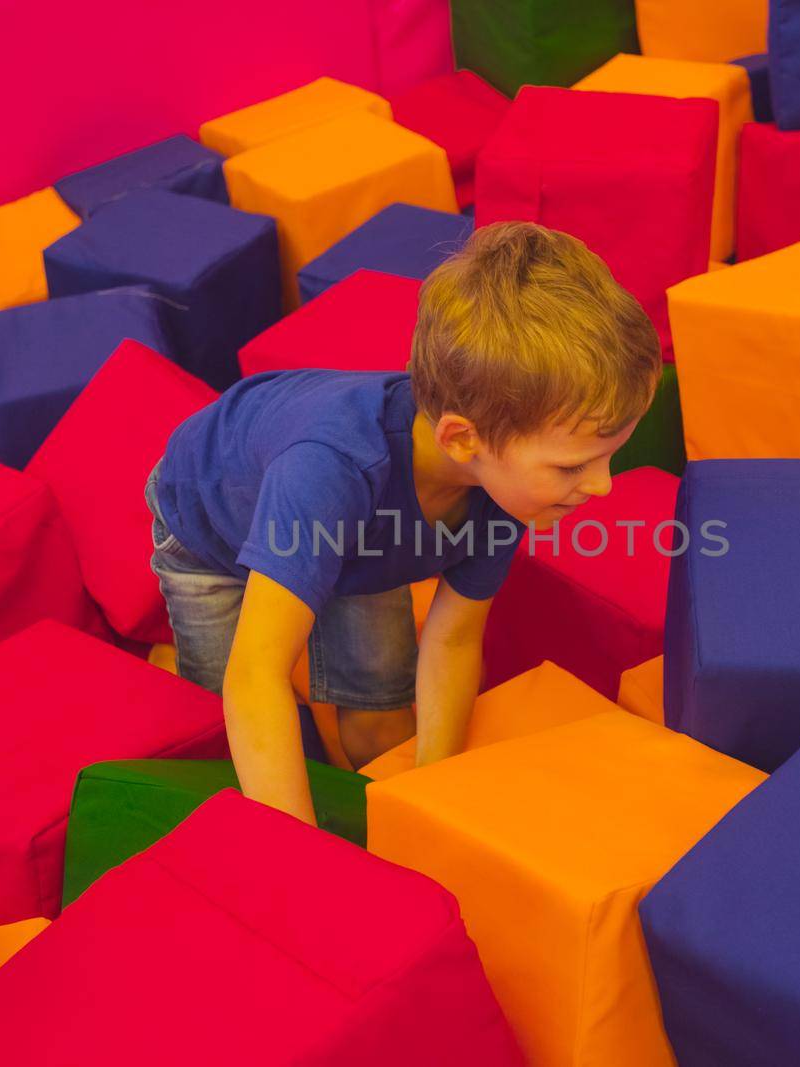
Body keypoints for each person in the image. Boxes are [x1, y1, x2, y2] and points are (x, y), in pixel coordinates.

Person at [146, 220, 662, 822]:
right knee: (238, 716)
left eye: (608, 457)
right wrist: (295, 850)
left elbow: (453, 635)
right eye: (576, 464)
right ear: (463, 439)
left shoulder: (504, 483)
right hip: (211, 529)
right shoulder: (334, 471)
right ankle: (177, 660)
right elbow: (252, 678)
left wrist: (430, 794)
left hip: (356, 542)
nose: (601, 486)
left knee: (382, 713)